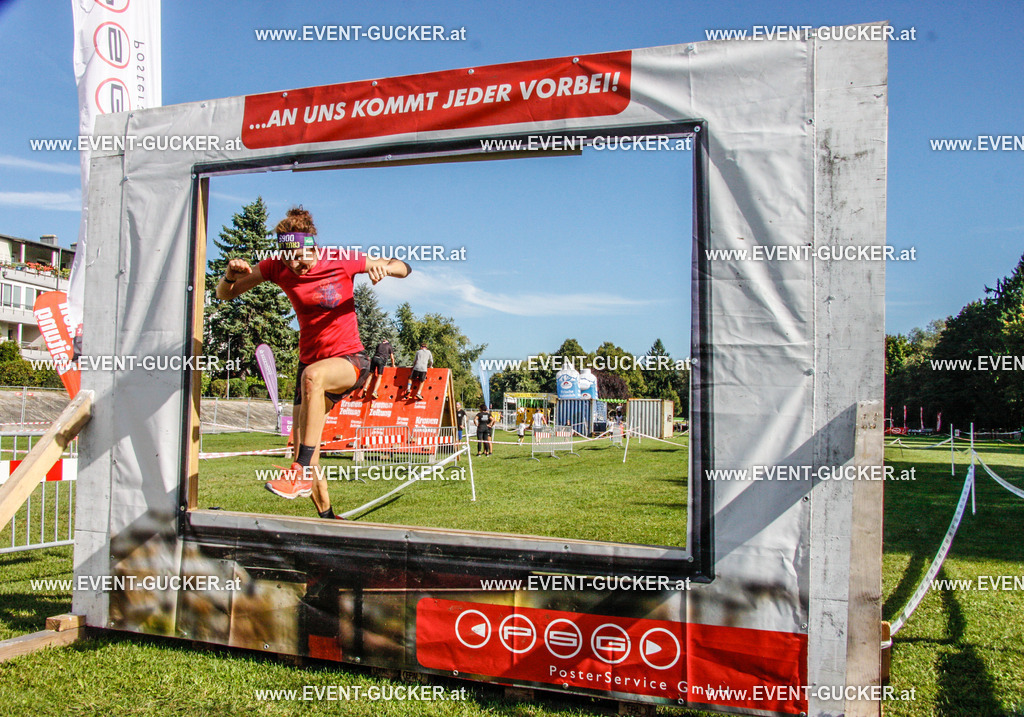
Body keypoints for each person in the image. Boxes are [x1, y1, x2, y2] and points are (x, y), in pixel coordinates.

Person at [215, 206, 410, 519]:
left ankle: (300, 472)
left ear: (313, 247)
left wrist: (386, 269)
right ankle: (329, 519)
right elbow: (225, 295)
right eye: (288, 258)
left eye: (301, 257)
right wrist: (229, 275)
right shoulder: (276, 267)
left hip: (349, 361)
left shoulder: (340, 259)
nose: (296, 265)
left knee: (313, 381)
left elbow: (404, 267)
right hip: (309, 367)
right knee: (305, 446)